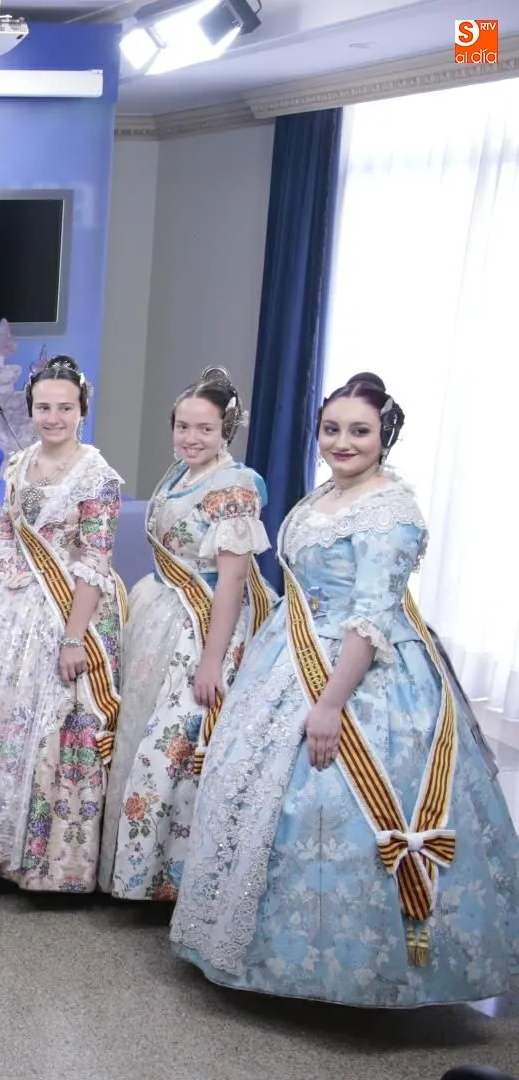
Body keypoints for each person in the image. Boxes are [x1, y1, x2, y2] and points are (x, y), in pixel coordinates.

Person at [172, 373, 519, 1007]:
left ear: (384, 435)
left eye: (359, 430)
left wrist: (330, 703)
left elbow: (373, 614)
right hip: (289, 657)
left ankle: (358, 971)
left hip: (362, 674)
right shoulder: (324, 495)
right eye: (331, 429)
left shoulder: (392, 510)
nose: (342, 441)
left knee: (330, 806)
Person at [99, 367, 274, 901]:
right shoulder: (178, 474)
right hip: (162, 613)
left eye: (205, 428)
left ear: (227, 430)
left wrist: (213, 659)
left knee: (177, 744)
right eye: (183, 426)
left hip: (205, 627)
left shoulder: (235, 486)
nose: (191, 438)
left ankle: (177, 880)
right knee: (143, 734)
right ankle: (137, 872)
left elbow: (234, 579)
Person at [0, 355, 126, 893]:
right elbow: (7, 531)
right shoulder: (20, 461)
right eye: (44, 407)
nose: (53, 417)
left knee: (41, 722)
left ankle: (36, 861)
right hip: (7, 602)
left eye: (65, 408)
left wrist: (75, 636)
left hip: (64, 609)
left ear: (83, 411)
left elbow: (95, 561)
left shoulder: (99, 478)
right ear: (31, 410)